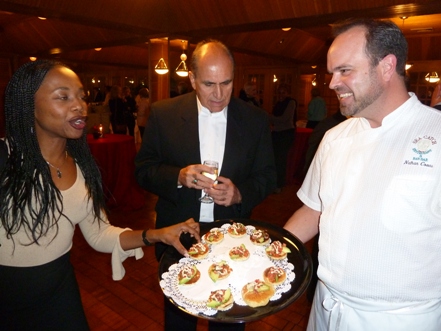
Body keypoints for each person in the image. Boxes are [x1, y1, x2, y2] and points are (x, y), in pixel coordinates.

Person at [0, 60, 200, 331]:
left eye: (81, 96)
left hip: (60, 293)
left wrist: (158, 234)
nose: (80, 105)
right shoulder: (5, 160)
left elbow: (98, 234)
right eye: (63, 97)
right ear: (29, 106)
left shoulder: (81, 167)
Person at [284, 18, 441, 330]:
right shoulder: (334, 138)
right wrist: (267, 252)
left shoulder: (435, 134)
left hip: (400, 320)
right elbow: (315, 208)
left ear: (386, 67)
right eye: (332, 72)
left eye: (345, 70)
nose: (332, 83)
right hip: (326, 306)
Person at [135, 39, 276, 331]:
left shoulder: (255, 120)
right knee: (179, 321)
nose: (219, 94)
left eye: (226, 83)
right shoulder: (164, 114)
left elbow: (267, 176)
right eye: (209, 84)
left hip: (233, 237)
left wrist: (239, 193)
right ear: (193, 79)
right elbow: (143, 170)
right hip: (179, 233)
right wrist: (178, 176)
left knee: (228, 321)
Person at [269, 83, 297, 193]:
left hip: (286, 134)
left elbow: (284, 119)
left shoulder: (291, 102)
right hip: (277, 133)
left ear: (288, 93)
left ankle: (279, 184)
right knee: (275, 159)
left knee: (281, 159)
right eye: (279, 92)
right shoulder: (278, 103)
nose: (281, 95)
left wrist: (267, 116)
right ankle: (275, 183)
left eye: (283, 92)